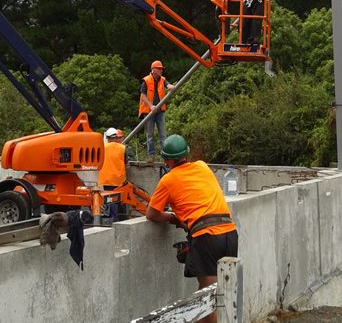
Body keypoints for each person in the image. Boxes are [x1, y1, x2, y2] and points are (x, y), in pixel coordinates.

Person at [146, 134, 238, 323]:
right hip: (229, 232)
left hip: (207, 237)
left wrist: (174, 219)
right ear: (186, 155)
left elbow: (152, 214)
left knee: (207, 300)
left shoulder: (168, 180)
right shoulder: (203, 167)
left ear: (166, 160)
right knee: (219, 295)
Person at [138, 60, 176, 162]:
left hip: (160, 111)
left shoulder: (163, 80)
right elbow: (143, 95)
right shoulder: (146, 80)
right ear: (153, 70)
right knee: (150, 135)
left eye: (162, 69)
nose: (161, 70)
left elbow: (167, 85)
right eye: (159, 69)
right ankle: (151, 156)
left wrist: (170, 86)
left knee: (163, 135)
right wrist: (151, 106)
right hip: (148, 111)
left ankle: (165, 156)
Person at [98, 127, 128, 221]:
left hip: (105, 179)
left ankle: (113, 218)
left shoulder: (102, 147)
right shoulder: (123, 148)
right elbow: (126, 162)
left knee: (110, 200)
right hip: (118, 179)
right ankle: (121, 218)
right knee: (121, 199)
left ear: (107, 137)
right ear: (116, 137)